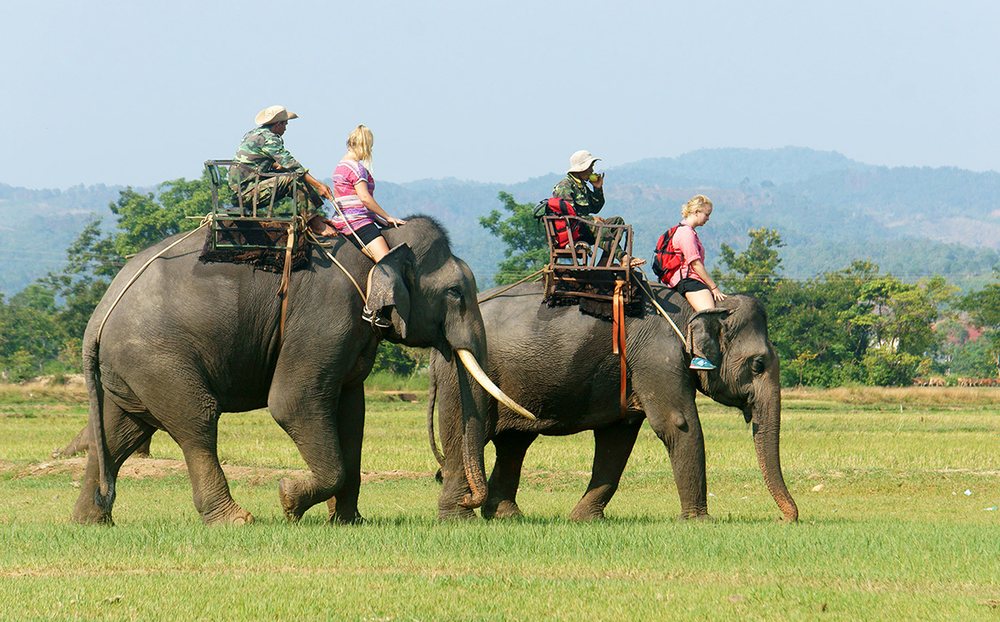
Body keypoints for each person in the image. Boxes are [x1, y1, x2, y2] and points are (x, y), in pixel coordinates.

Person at [329, 124, 406, 327]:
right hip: (357, 222)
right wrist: (387, 216)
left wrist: (378, 219)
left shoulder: (340, 166)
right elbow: (364, 198)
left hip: (347, 219)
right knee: (387, 262)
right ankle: (371, 310)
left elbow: (351, 199)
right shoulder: (356, 168)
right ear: (364, 145)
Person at [229, 105, 334, 235]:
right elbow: (292, 164)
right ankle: (314, 223)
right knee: (293, 178)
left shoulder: (253, 134)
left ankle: (314, 215)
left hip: (243, 189)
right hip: (247, 193)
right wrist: (319, 186)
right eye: (285, 124)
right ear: (278, 124)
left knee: (291, 174)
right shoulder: (270, 138)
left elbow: (254, 159)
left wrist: (275, 165)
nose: (285, 128)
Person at [663, 194, 727, 370]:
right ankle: (699, 356)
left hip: (690, 279)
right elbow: (695, 263)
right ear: (697, 211)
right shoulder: (686, 234)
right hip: (689, 280)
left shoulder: (688, 232)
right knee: (708, 313)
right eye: (707, 214)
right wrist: (713, 287)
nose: (708, 218)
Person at [551, 150, 643, 267]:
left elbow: (595, 208)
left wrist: (598, 188)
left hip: (585, 228)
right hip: (574, 232)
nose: (592, 170)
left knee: (617, 222)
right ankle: (623, 257)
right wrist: (592, 220)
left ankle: (604, 262)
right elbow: (570, 215)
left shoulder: (581, 186)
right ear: (581, 169)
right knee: (598, 225)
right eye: (590, 167)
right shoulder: (564, 186)